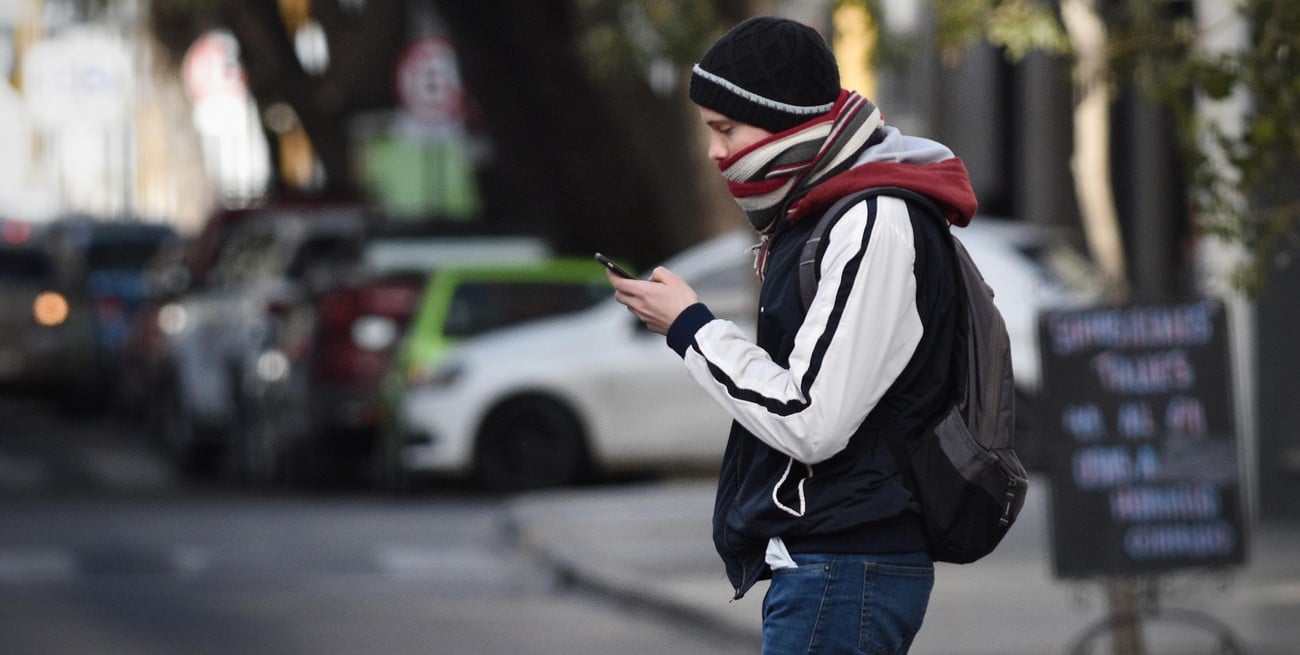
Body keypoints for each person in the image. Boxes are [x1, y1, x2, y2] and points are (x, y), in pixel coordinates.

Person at [607, 15, 978, 655]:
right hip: (832, 559)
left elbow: (812, 419)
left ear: (782, 121)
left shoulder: (872, 218)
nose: (714, 151)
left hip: (846, 560)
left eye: (726, 129)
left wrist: (691, 328)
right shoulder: (822, 211)